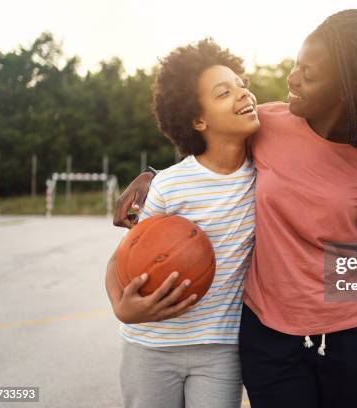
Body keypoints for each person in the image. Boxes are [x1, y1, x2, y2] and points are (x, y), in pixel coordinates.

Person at [113, 9, 357, 408]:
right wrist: (152, 175)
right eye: (296, 65)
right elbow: (209, 141)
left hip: (352, 339)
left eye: (308, 75)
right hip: (269, 340)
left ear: (348, 89)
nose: (292, 79)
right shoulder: (270, 124)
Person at [105, 38, 260, 408]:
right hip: (151, 346)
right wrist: (121, 306)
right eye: (224, 93)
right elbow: (119, 260)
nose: (243, 94)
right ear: (198, 119)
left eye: (243, 85)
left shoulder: (266, 175)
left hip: (220, 348)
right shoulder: (170, 185)